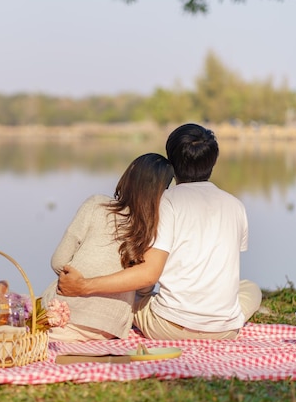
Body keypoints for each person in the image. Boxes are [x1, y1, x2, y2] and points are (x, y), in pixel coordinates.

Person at [58, 123, 262, 341]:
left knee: (134, 295)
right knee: (252, 289)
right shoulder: (236, 205)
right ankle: (219, 320)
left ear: (171, 163)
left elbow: (149, 274)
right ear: (213, 161)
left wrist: (84, 287)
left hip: (169, 327)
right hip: (224, 330)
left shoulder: (166, 203)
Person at [0, 153, 174, 342]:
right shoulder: (154, 228)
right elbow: (144, 287)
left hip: (63, 314)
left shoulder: (97, 205)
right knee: (19, 307)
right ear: (162, 193)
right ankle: (7, 318)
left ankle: (5, 321)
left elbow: (58, 261)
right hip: (108, 329)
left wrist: (79, 278)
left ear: (128, 178)